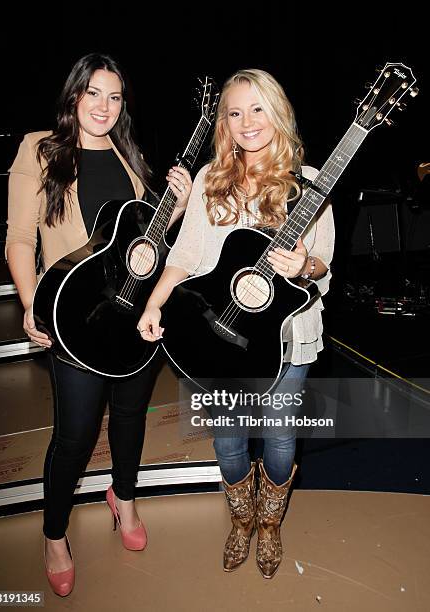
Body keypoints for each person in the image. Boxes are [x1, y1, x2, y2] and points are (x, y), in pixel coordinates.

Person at [6, 53, 192, 597]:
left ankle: (124, 500)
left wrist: (174, 209)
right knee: (74, 438)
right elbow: (20, 239)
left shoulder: (127, 154)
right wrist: (29, 303)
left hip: (132, 319)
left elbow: (140, 240)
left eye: (114, 97)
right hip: (72, 320)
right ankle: (55, 535)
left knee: (131, 418)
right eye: (93, 93)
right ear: (73, 96)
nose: (104, 107)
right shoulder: (39, 149)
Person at [138, 69, 335, 579]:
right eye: (234, 112)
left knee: (280, 440)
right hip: (217, 335)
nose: (247, 122)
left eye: (257, 108)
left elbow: (324, 265)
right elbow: (185, 254)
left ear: (278, 111)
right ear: (223, 122)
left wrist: (304, 266)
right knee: (227, 444)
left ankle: (269, 525)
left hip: (287, 340)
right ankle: (242, 518)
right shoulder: (210, 179)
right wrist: (155, 302)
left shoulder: (309, 184)